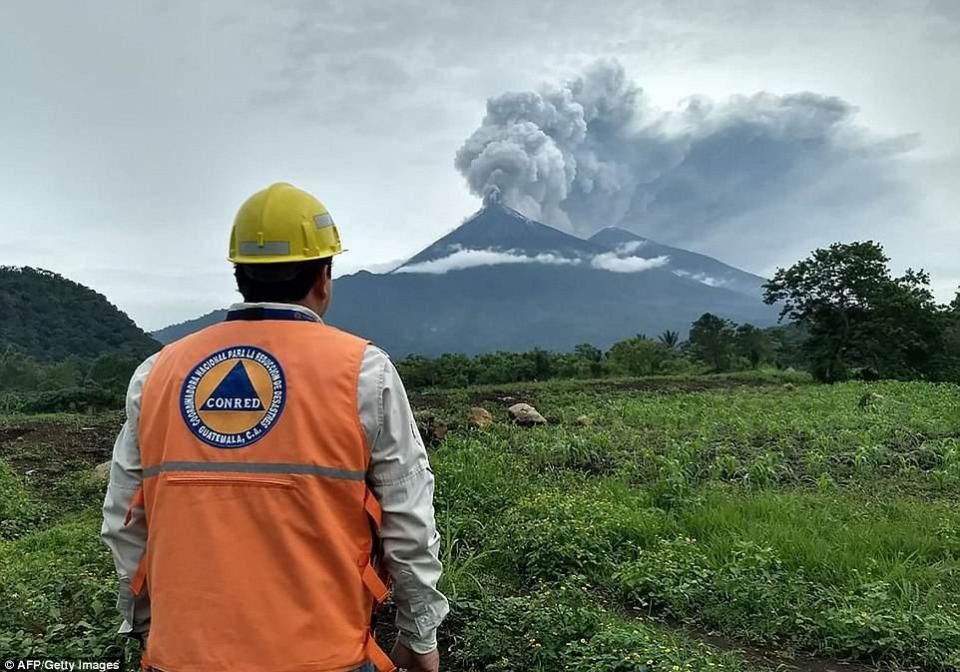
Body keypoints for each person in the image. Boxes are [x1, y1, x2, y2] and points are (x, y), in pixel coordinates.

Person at [101, 182, 448, 672]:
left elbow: (124, 520)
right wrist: (420, 632)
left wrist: (145, 626)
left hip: (182, 656)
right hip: (325, 657)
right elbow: (408, 520)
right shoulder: (363, 372)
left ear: (240, 275)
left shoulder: (157, 374)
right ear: (324, 276)